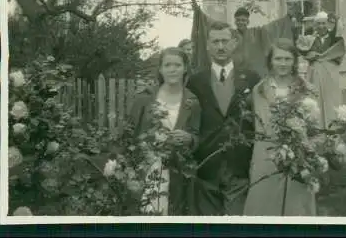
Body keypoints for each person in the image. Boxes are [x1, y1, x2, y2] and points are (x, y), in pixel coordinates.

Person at [187, 21, 261, 215]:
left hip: (239, 164)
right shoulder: (195, 81)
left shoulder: (252, 79)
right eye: (215, 41)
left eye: (225, 41)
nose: (220, 46)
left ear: (234, 43)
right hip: (206, 165)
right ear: (208, 45)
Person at [243, 38, 319, 216]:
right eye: (278, 59)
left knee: (296, 205)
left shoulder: (307, 89)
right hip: (266, 154)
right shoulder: (259, 90)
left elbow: (314, 127)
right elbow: (258, 125)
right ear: (270, 61)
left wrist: (306, 151)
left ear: (294, 61)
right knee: (264, 204)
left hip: (297, 155)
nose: (283, 64)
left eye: (287, 59)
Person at [128, 47, 201, 215]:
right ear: (160, 69)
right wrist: (130, 169)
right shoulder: (144, 98)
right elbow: (128, 134)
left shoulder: (192, 101)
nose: (172, 69)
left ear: (185, 68)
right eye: (167, 65)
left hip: (177, 172)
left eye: (177, 65)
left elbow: (197, 137)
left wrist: (189, 139)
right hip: (146, 168)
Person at [191, 0, 297, 77]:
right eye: (238, 20)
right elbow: (211, 23)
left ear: (248, 21)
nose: (241, 22)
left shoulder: (257, 32)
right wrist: (199, 13)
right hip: (234, 74)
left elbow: (274, 27)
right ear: (235, 21)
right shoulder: (229, 33)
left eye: (243, 20)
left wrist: (288, 17)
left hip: (254, 74)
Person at [299, 11, 346, 128]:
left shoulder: (334, 39)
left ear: (328, 25)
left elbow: (340, 42)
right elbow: (301, 48)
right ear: (315, 25)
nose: (321, 26)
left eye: (324, 23)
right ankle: (316, 127)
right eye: (319, 23)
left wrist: (335, 19)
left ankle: (332, 128)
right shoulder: (310, 39)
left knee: (331, 99)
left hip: (330, 73)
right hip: (314, 74)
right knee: (314, 99)